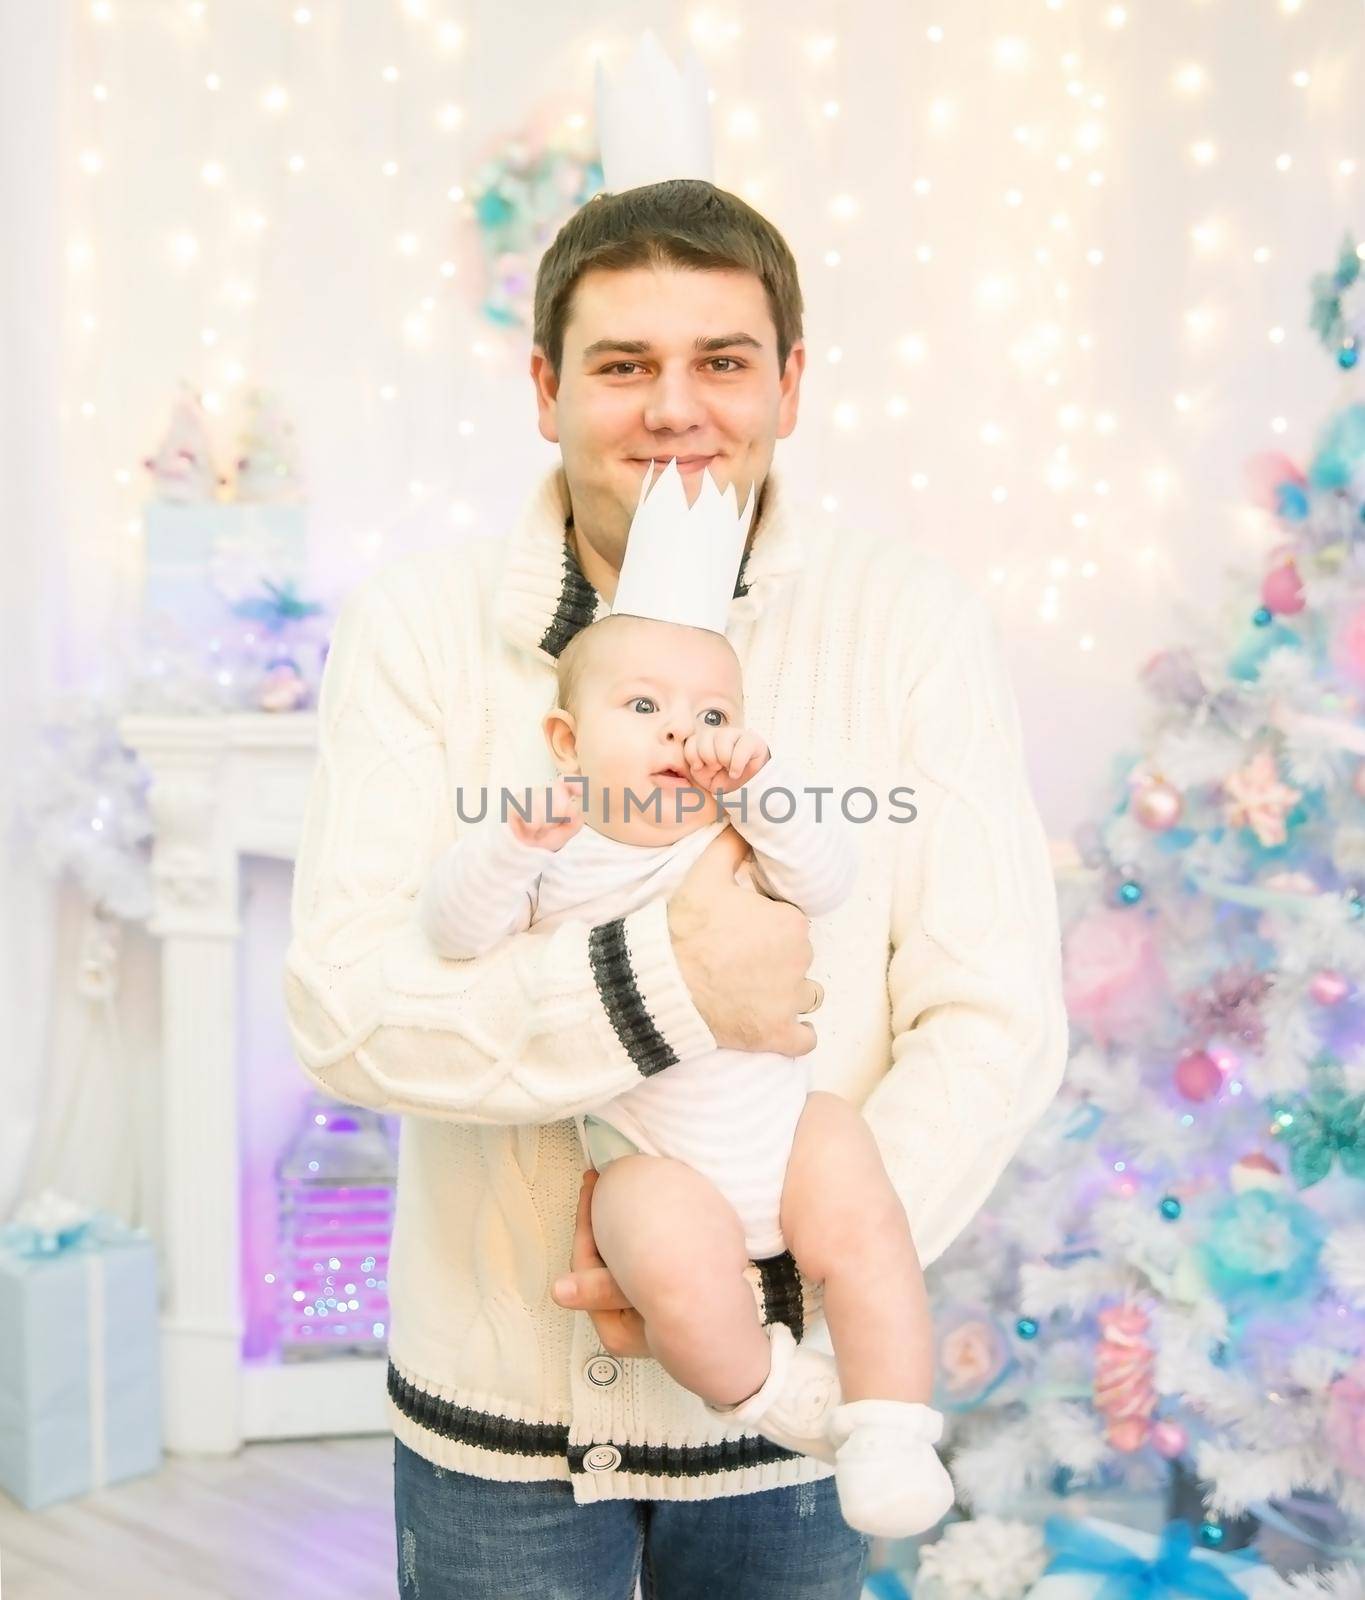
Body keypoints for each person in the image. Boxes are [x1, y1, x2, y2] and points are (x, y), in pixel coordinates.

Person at [283, 175, 1069, 1598]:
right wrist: (663, 985)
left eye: (722, 360)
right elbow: (345, 1010)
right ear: (544, 386)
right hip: (498, 1429)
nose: (674, 407)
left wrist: (772, 1271)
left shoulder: (908, 622)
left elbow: (994, 1012)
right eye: (623, 364)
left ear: (790, 383)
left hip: (796, 1425)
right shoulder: (414, 628)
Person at [416, 551, 957, 1539]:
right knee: (659, 1252)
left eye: (714, 715)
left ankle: (888, 1421)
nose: (684, 729)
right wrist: (509, 848)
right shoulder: (556, 851)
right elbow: (451, 931)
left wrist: (765, 790)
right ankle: (768, 1391)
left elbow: (830, 879)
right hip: (657, 1158)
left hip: (786, 1131)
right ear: (565, 741)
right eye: (644, 706)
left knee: (862, 1199)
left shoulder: (743, 827)